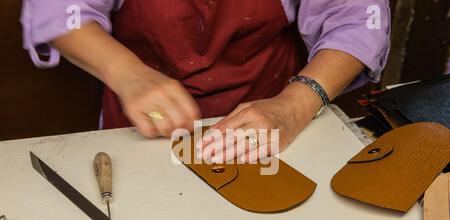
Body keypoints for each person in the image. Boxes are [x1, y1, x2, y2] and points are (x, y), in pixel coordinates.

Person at [21, 0, 390, 162]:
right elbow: (57, 10)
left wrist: (297, 103)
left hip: (276, 123)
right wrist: (129, 74)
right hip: (144, 129)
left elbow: (360, 18)